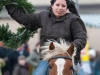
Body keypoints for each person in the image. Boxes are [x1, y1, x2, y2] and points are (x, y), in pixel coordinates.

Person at [5, 0, 87, 75]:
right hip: (47, 60)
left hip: (71, 60)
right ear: (52, 5)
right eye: (57, 5)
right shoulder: (43, 16)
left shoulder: (74, 20)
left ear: (67, 7)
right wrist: (8, 4)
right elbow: (25, 19)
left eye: (63, 6)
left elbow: (81, 38)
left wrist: (71, 48)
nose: (60, 8)